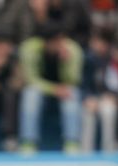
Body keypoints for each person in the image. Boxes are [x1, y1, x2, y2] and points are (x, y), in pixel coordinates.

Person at [18, 22, 83, 154]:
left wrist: (65, 63)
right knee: (30, 94)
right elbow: (30, 79)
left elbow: (74, 80)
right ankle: (28, 142)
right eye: (56, 41)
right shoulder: (28, 49)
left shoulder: (73, 50)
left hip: (64, 87)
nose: (60, 44)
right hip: (40, 88)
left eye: (62, 39)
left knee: (72, 94)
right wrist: (54, 89)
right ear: (45, 42)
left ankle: (72, 142)